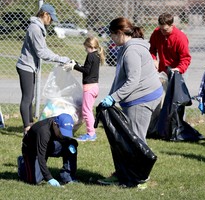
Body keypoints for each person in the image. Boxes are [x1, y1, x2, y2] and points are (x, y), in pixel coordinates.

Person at [98, 17, 163, 186]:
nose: (110, 38)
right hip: (139, 96)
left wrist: (114, 98)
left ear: (120, 33)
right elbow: (120, 77)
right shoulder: (125, 48)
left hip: (142, 99)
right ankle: (122, 172)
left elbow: (132, 81)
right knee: (129, 139)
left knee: (136, 141)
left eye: (112, 34)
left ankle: (140, 177)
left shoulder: (132, 51)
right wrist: (112, 95)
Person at [16, 3, 70, 134]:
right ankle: (27, 128)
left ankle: (30, 124)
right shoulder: (35, 28)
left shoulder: (38, 28)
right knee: (27, 98)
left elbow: (44, 49)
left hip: (29, 67)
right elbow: (42, 53)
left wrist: (60, 57)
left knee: (30, 97)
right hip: (25, 67)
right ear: (45, 14)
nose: (51, 21)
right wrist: (61, 59)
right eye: (51, 18)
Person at [18, 113, 78, 186]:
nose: (63, 136)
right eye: (61, 132)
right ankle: (22, 163)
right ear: (55, 124)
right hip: (32, 150)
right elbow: (41, 157)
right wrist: (49, 178)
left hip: (49, 145)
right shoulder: (43, 131)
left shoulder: (61, 123)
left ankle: (67, 177)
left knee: (71, 147)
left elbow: (67, 140)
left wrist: (73, 143)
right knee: (35, 180)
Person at [63, 37, 105, 141]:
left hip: (89, 88)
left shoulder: (90, 55)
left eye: (86, 48)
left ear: (90, 46)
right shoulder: (96, 55)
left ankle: (91, 134)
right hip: (94, 87)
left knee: (86, 111)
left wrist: (74, 67)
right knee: (88, 110)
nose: (85, 50)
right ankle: (91, 133)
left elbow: (86, 70)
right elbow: (88, 68)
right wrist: (76, 63)